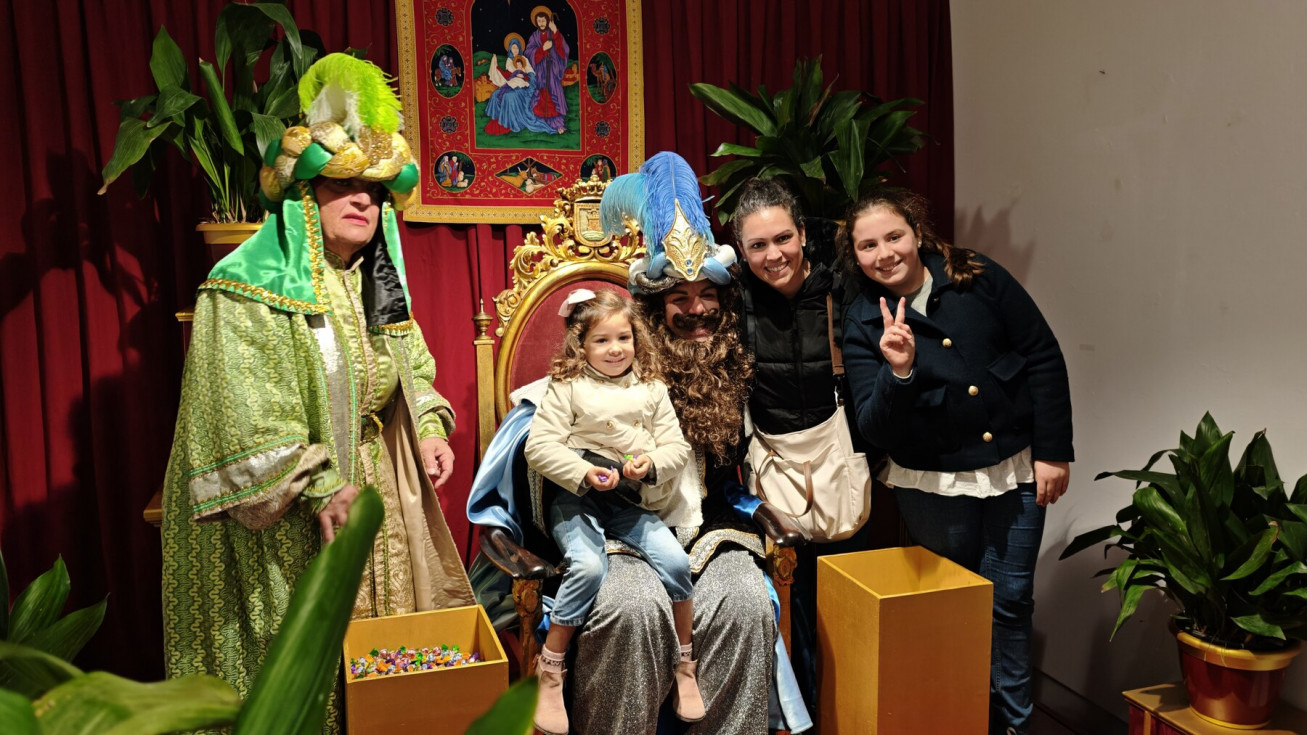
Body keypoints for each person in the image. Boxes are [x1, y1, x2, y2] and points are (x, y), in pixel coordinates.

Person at [160, 54, 474, 731]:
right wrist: (322, 486)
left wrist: (428, 426)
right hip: (290, 520)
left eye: (374, 192)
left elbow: (413, 368)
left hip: (377, 497)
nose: (365, 201)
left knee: (384, 679)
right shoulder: (246, 288)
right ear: (304, 196)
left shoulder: (373, 282)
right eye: (343, 186)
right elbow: (248, 416)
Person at [467, 152, 812, 734]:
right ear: (651, 311)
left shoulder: (730, 369)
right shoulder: (602, 376)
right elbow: (534, 457)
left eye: (707, 294)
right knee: (629, 607)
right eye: (679, 298)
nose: (697, 309)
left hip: (707, 527)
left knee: (746, 600)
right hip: (610, 526)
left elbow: (723, 476)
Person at [839, 189, 1073, 735]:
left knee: (1011, 600)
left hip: (1015, 470)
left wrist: (1054, 451)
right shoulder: (860, 321)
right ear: (856, 257)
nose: (885, 253)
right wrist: (899, 372)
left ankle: (1015, 725)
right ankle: (963, 720)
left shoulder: (977, 276)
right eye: (868, 246)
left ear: (916, 232)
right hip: (932, 487)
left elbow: (1042, 354)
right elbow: (873, 427)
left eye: (894, 236)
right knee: (955, 607)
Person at [524, 288, 703, 734]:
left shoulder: (652, 389)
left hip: (627, 498)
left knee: (677, 562)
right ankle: (550, 668)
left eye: (623, 338)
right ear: (581, 345)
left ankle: (685, 665)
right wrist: (584, 471)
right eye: (601, 340)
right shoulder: (566, 387)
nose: (615, 349)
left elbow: (676, 446)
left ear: (636, 339)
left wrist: (650, 465)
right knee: (587, 567)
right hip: (576, 498)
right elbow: (538, 447)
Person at [731, 177, 869, 714]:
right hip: (773, 475)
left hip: (840, 467)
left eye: (783, 238)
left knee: (846, 609)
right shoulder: (733, 297)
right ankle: (801, 715)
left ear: (803, 234)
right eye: (758, 245)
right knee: (792, 613)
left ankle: (848, 714)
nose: (774, 255)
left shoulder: (844, 288)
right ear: (740, 251)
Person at [525, 6, 569, 133]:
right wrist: (542, 49)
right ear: (536, 22)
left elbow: (562, 50)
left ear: (548, 21)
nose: (541, 23)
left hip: (552, 70)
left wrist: (555, 32)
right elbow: (528, 54)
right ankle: (541, 122)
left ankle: (558, 124)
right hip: (539, 72)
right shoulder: (534, 37)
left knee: (553, 97)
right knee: (540, 97)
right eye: (539, 21)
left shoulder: (553, 33)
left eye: (543, 21)